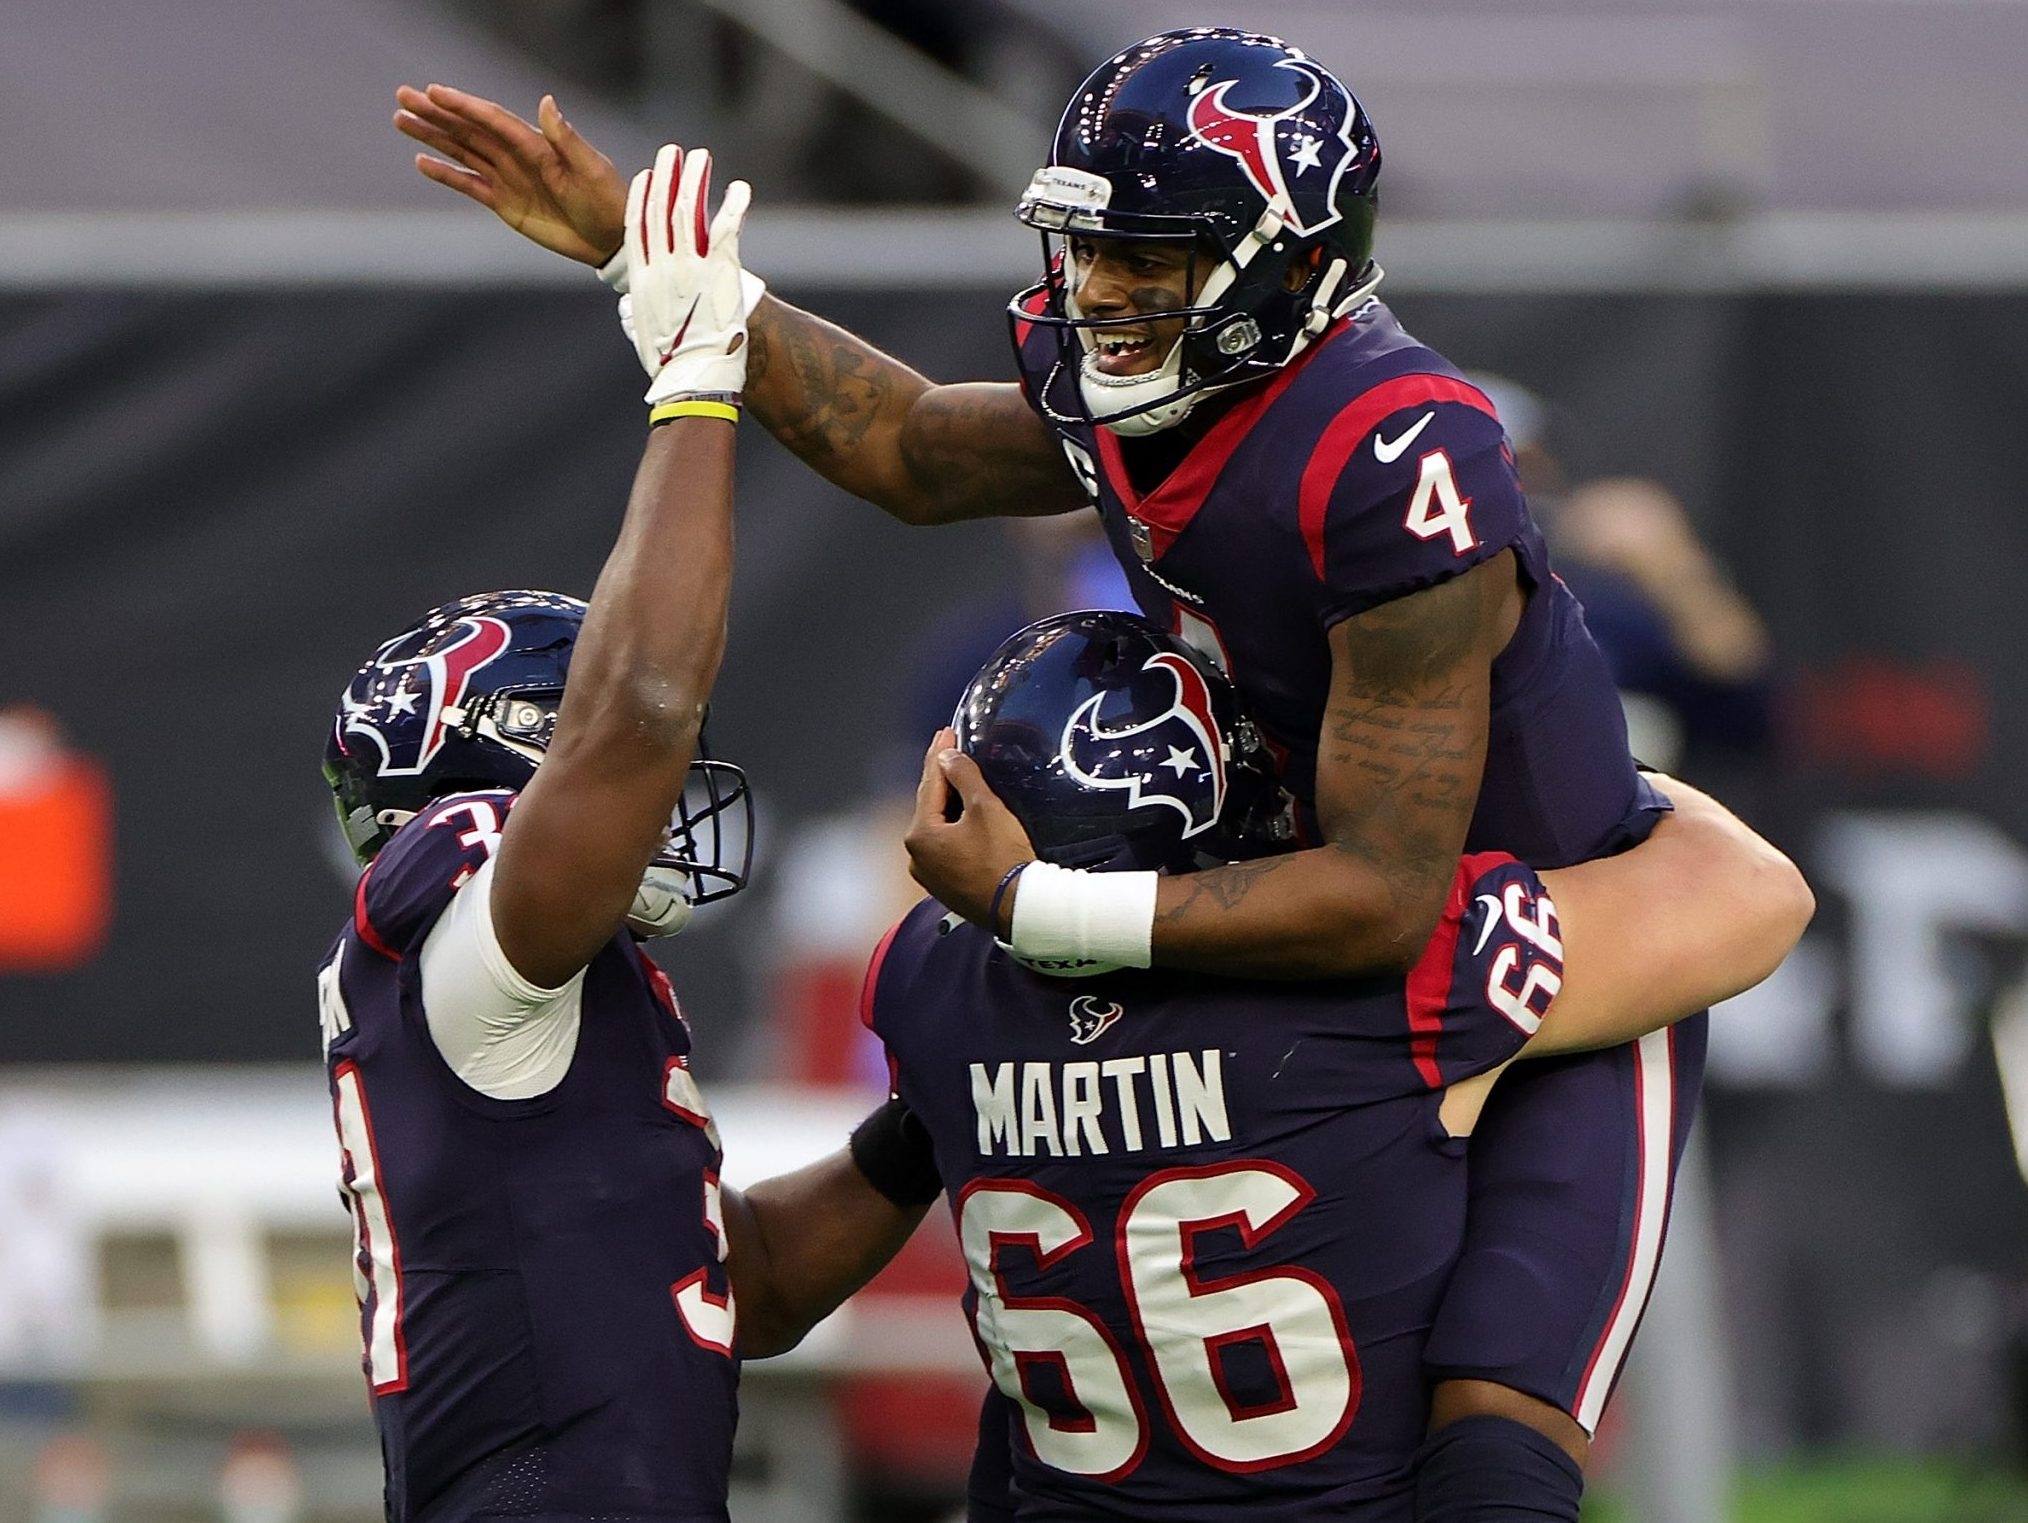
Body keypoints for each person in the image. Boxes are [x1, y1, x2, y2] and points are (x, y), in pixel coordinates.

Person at [393, 26, 1729, 1512]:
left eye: (1149, 260)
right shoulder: (1155, 386)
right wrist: (674, 289)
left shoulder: (1387, 453)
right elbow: (907, 442)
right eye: (1090, 248)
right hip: (1319, 928)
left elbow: (1387, 892)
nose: (1099, 293)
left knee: (1489, 1436)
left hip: (1534, 940)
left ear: (1285, 260)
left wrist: (1042, 912)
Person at [738, 609, 1811, 1520]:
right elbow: (1755, 892)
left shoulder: (935, 988)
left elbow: (816, 1236)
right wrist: (1564, 772)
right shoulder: (1362, 987)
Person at [318, 145, 771, 1522]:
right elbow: (635, 706)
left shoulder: (516, 987)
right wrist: (698, 377)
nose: (663, 777)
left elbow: (727, 1276)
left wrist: (927, 1120)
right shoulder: (466, 924)